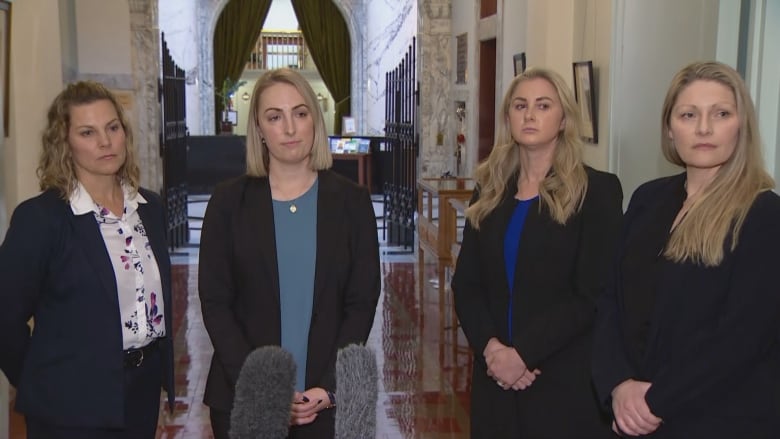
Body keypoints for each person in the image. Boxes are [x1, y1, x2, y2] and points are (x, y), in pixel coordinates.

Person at [592, 61, 780, 438]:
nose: (704, 128)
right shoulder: (648, 199)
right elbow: (611, 299)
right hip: (631, 413)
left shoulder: (764, 215)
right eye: (689, 114)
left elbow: (741, 339)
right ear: (669, 127)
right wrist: (618, 384)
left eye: (721, 114)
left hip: (719, 419)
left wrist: (654, 402)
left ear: (741, 126)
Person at [199, 68, 381, 438]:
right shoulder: (227, 202)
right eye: (274, 117)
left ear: (315, 119)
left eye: (300, 113)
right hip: (245, 398)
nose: (290, 128)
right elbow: (216, 303)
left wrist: (329, 386)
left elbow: (361, 302)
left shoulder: (352, 202)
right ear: (259, 130)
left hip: (326, 404)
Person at [451, 67, 623, 438]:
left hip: (562, 380)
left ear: (563, 120)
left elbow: (592, 295)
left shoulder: (596, 192)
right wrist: (493, 351)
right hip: (495, 380)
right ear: (508, 117)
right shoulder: (490, 191)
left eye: (543, 106)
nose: (530, 115)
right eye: (520, 105)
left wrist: (524, 354)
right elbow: (467, 285)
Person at [0, 81, 175, 438]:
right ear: (64, 144)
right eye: (87, 132)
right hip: (69, 406)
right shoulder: (42, 218)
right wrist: (42, 382)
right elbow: (5, 319)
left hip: (140, 393)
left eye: (112, 128)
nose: (105, 142)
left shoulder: (150, 208)